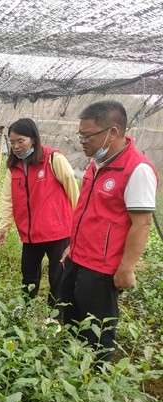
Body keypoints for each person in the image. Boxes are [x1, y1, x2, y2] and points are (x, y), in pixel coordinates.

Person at [60, 100, 158, 361]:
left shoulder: (137, 169)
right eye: (80, 134)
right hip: (78, 258)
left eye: (87, 135)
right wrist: (72, 245)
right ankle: (71, 369)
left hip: (102, 268)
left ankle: (95, 381)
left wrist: (126, 268)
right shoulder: (97, 163)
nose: (82, 140)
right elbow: (89, 213)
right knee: (70, 318)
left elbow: (142, 223)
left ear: (112, 132)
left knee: (97, 332)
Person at [0, 118, 79, 309]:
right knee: (29, 273)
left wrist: (78, 226)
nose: (16, 146)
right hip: (30, 232)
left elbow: (73, 192)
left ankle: (55, 315)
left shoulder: (53, 159)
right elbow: (8, 198)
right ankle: (26, 307)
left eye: (20, 141)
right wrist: (3, 227)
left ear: (33, 139)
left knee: (57, 275)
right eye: (12, 141)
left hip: (57, 232)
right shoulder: (14, 166)